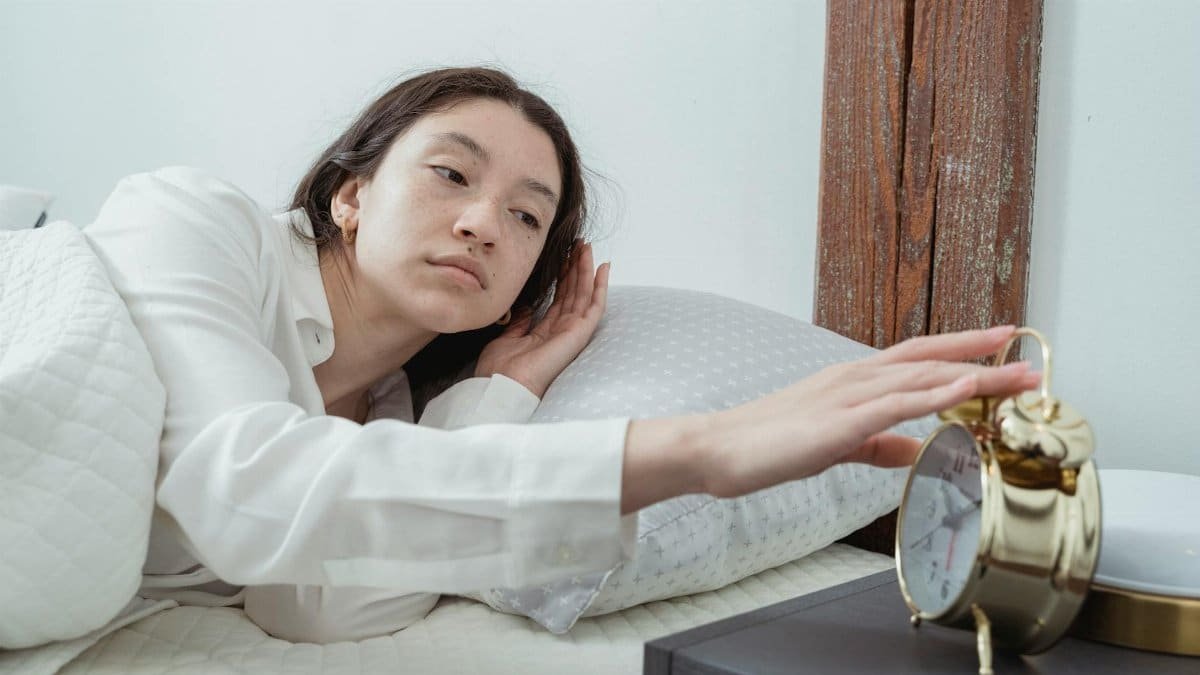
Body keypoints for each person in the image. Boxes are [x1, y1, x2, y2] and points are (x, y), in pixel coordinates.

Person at [82, 67, 1041, 644]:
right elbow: (245, 485)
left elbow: (317, 612)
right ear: (350, 193)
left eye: (526, 215)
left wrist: (499, 394)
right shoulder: (192, 220)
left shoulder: (392, 416)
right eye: (451, 173)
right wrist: (699, 448)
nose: (480, 223)